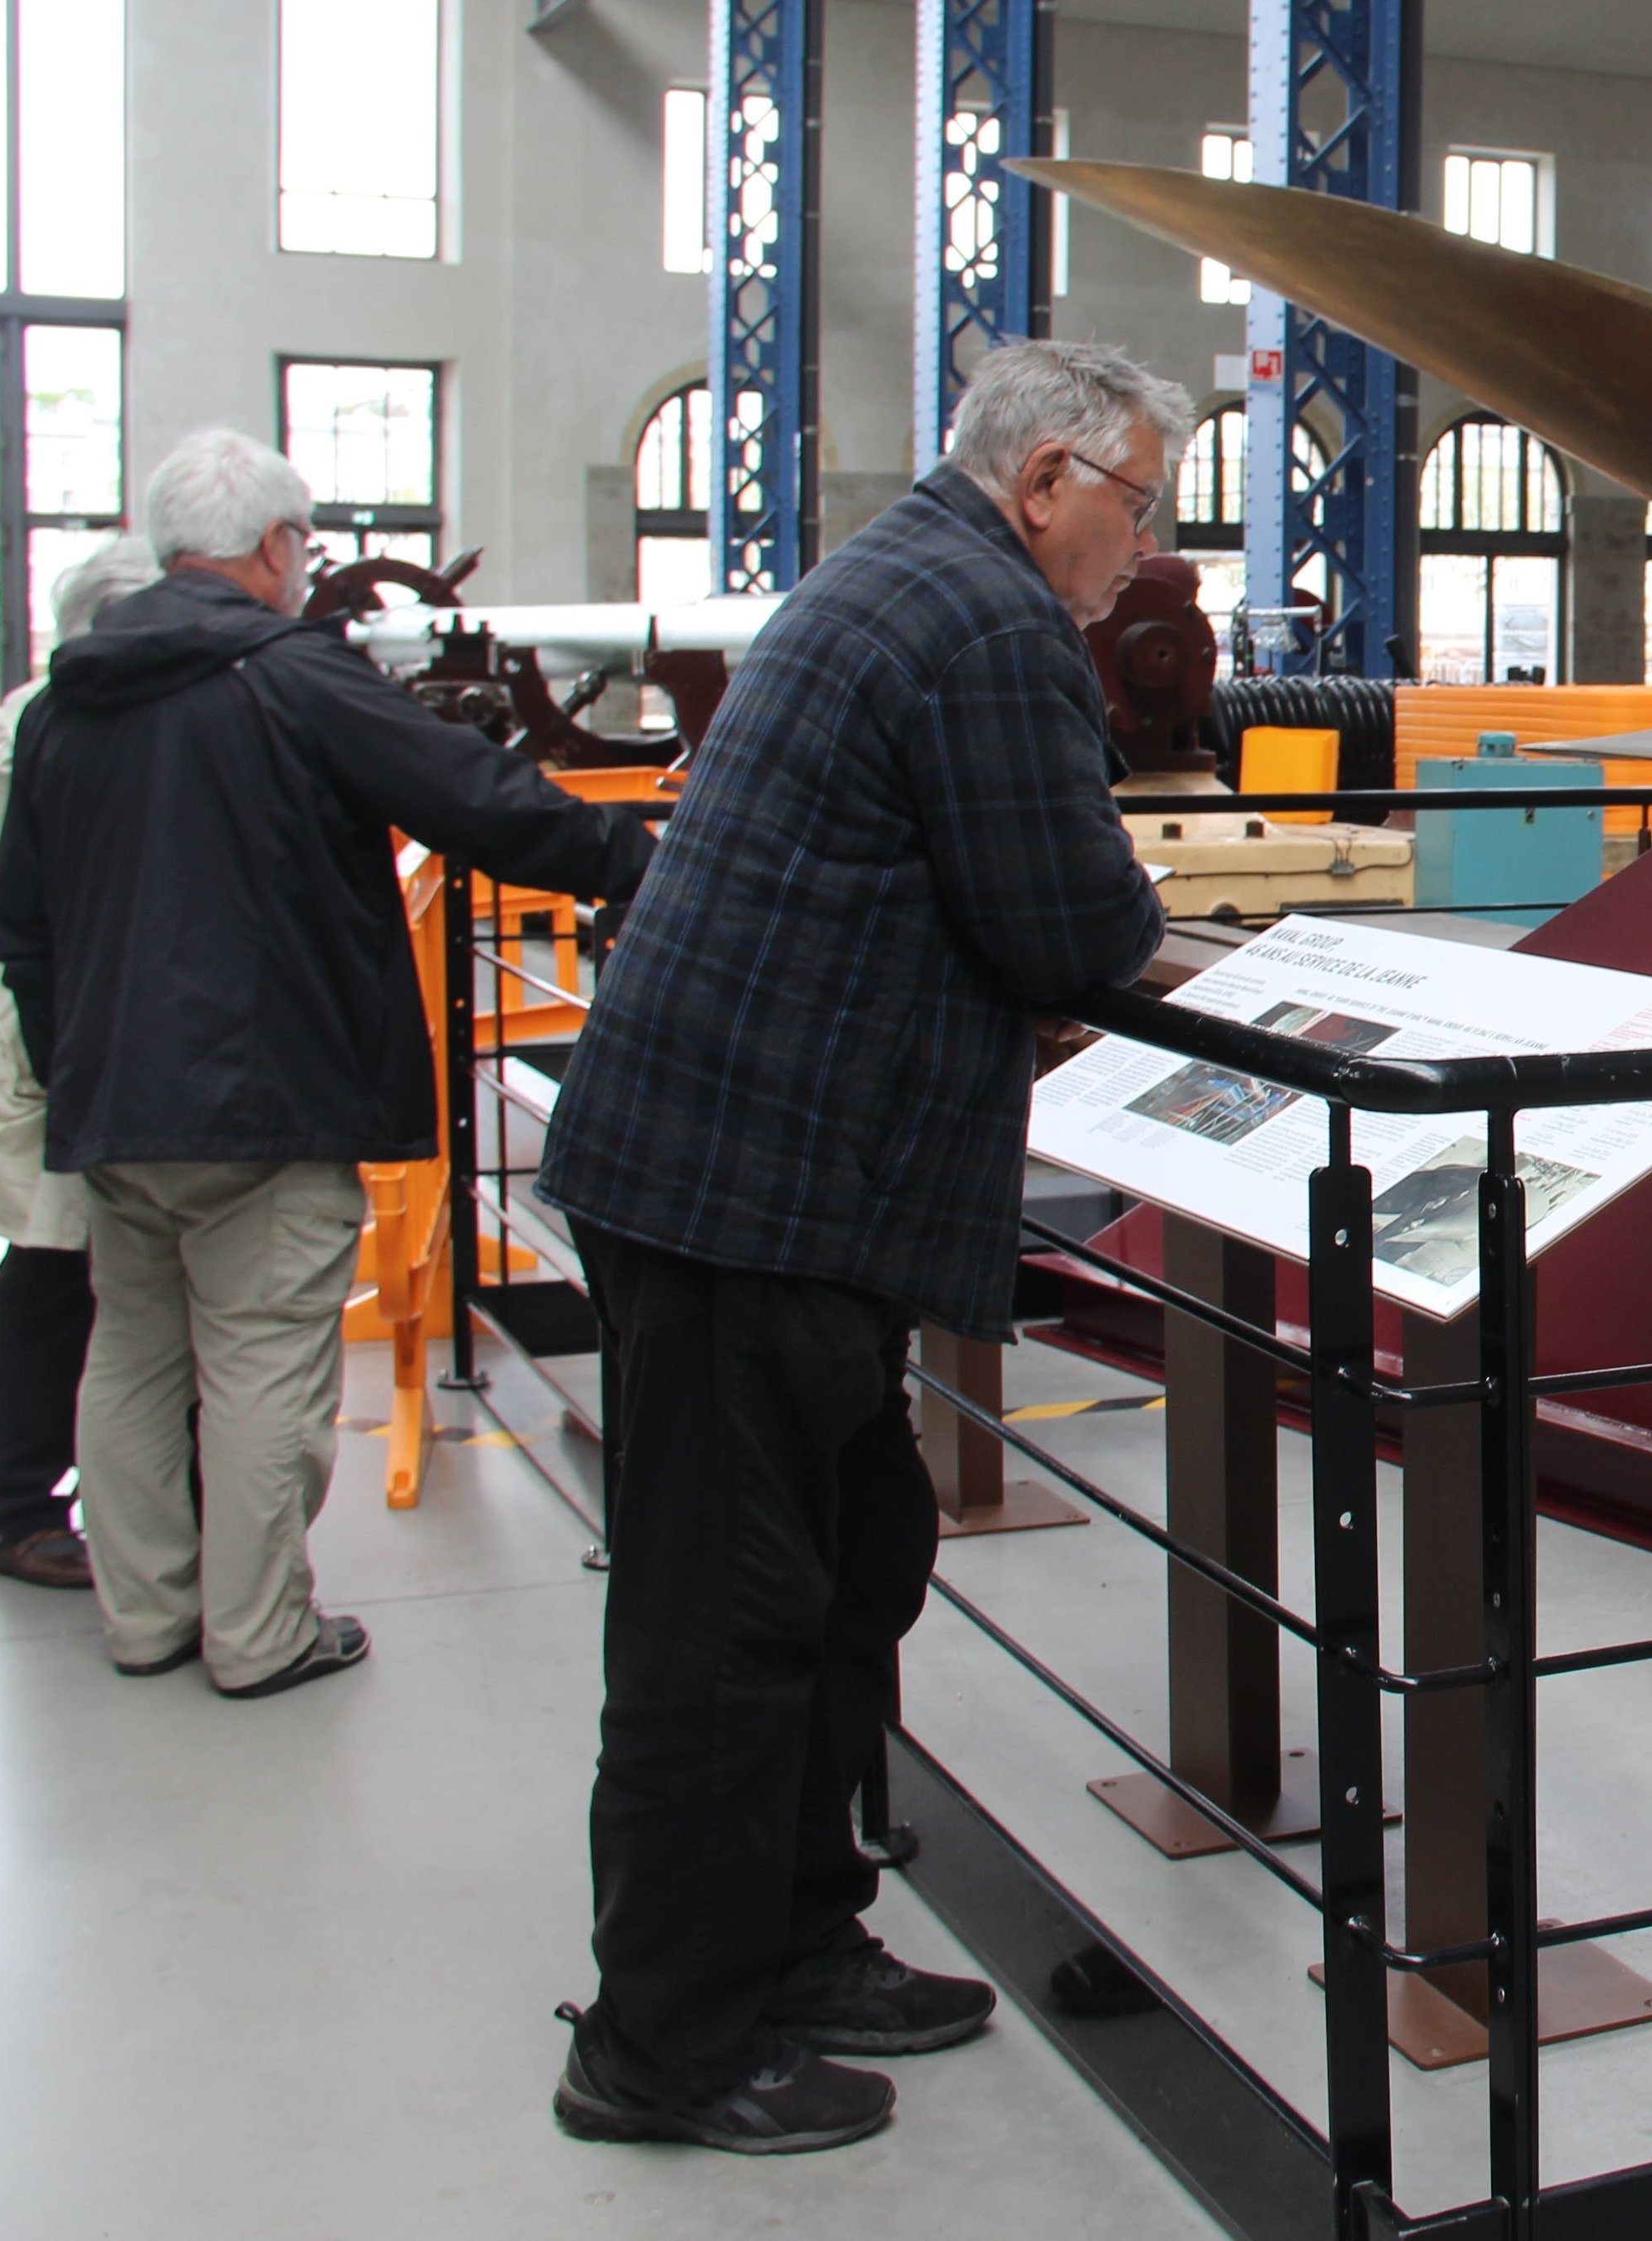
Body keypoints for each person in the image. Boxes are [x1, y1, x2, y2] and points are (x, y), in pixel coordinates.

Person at [537, 341, 1184, 2155]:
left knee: (841, 1575)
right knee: (727, 1628)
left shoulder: (896, 568)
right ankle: (659, 2046)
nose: (1143, 546)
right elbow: (1068, 918)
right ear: (1050, 477)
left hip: (750, 1181)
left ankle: (799, 1939)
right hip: (749, 1193)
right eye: (1136, 502)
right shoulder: (984, 622)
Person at [0, 430, 655, 1699]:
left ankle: (147, 1621)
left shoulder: (69, 699)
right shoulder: (291, 677)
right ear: (280, 546)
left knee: (129, 1358)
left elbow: (19, 918)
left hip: (111, 1101)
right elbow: (478, 799)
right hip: (265, 1099)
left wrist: (73, 1053)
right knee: (259, 1366)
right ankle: (259, 1634)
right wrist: (643, 857)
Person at [0, 534, 159, 1588]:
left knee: (85, 1269)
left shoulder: (77, 716)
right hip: (29, 1045)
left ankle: (87, 1492)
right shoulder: (36, 732)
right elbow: (38, 911)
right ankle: (16, 1507)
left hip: (63, 1035)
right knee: (53, 1269)